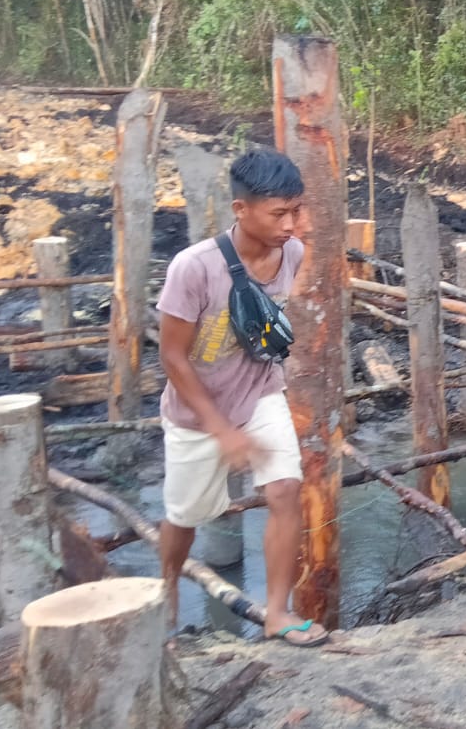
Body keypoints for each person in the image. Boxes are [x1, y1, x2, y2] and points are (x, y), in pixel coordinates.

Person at [155, 149, 328, 647]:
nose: (292, 225)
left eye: (297, 210)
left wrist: (243, 420)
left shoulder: (290, 253)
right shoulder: (193, 268)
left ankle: (277, 612)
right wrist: (221, 429)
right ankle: (165, 590)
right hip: (195, 411)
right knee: (183, 516)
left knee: (285, 490)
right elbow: (172, 358)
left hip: (259, 393)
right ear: (240, 209)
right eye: (279, 213)